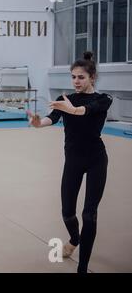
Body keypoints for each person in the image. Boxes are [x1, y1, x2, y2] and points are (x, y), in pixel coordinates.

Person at [27, 52, 113, 273]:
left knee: (89, 214)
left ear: (92, 77)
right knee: (67, 212)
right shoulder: (68, 100)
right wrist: (39, 123)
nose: (76, 81)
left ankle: (82, 268)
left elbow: (89, 110)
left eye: (81, 77)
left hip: (96, 160)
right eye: (73, 77)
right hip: (73, 160)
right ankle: (74, 239)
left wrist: (74, 110)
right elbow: (52, 118)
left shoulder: (103, 99)